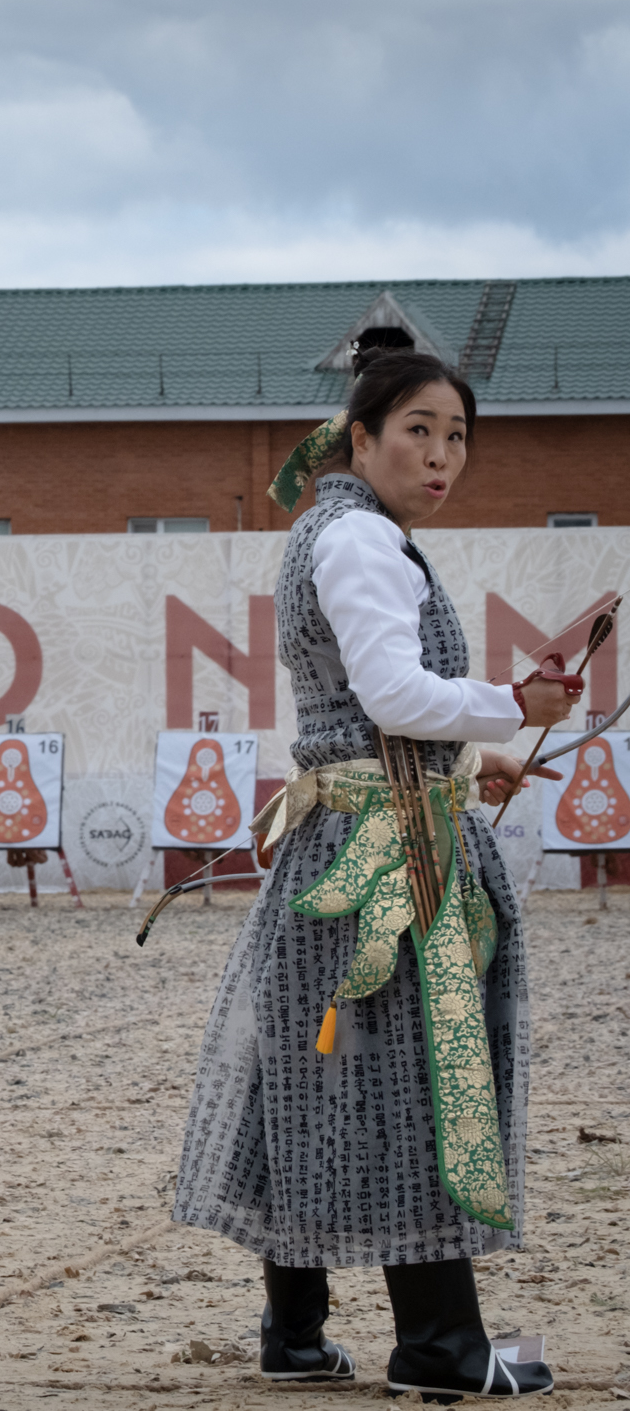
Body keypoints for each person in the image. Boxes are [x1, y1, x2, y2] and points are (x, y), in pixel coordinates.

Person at [173, 344, 569, 1400]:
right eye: (417, 432)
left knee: (314, 1080)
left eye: (456, 439)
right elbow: (391, 693)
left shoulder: (341, 531)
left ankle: (294, 1337)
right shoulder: (357, 538)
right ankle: (438, 1349)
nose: (440, 457)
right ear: (360, 439)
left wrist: (461, 760)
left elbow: (364, 713)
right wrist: (509, 709)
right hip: (381, 857)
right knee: (419, 1086)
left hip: (354, 835)